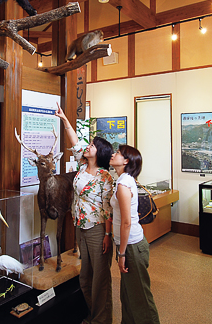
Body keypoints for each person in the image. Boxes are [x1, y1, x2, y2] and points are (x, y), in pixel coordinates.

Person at [55, 103, 114, 324]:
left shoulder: (105, 177)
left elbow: (107, 209)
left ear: (100, 153)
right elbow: (74, 140)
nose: (87, 146)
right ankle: (92, 314)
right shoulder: (82, 166)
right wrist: (64, 119)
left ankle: (101, 320)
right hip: (80, 227)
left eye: (92, 145)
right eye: (89, 144)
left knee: (100, 279)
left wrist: (108, 236)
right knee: (85, 278)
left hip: (98, 230)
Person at [110, 144, 160, 324]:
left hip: (131, 246)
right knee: (128, 295)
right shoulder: (124, 179)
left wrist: (121, 253)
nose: (113, 154)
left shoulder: (123, 184)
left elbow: (126, 222)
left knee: (140, 298)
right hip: (128, 244)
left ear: (126, 161)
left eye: (118, 153)